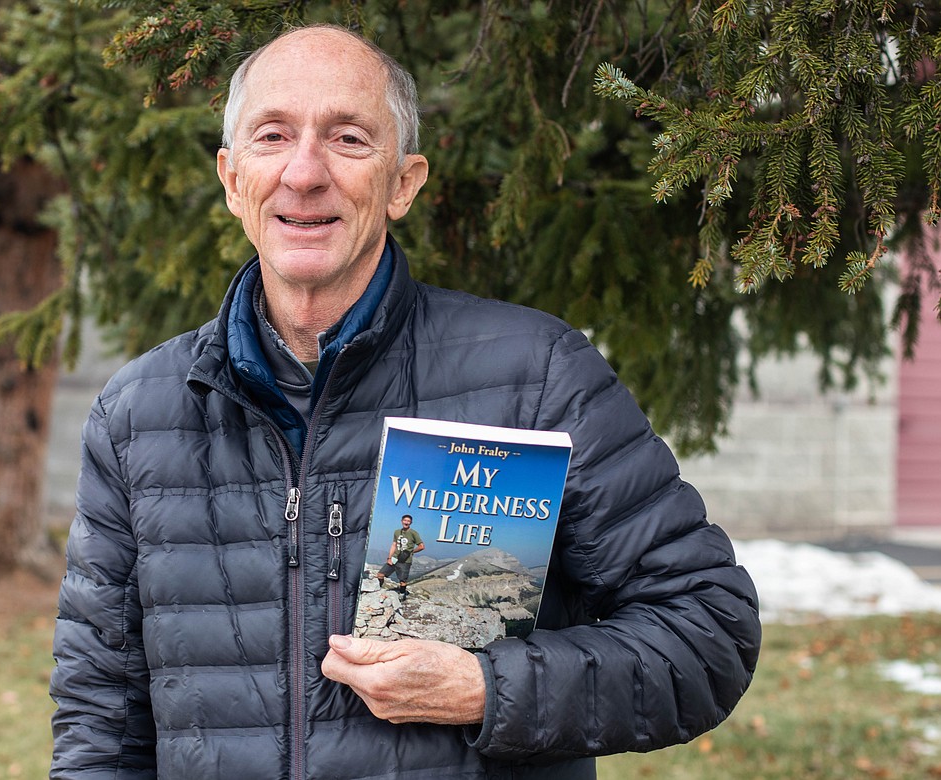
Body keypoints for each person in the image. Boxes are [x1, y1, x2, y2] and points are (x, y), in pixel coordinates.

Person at [49, 23, 761, 780]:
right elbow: (101, 722)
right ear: (232, 180)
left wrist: (487, 688)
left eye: (349, 138)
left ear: (403, 183)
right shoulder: (140, 416)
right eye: (273, 135)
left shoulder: (536, 377)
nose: (304, 172)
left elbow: (707, 633)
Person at [375, 514, 424, 598]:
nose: (406, 522)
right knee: (380, 574)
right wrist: (389, 558)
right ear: (401, 521)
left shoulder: (413, 533)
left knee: (402, 581)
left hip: (405, 561)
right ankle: (378, 591)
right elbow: (394, 544)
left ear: (411, 523)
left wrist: (412, 551)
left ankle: (402, 594)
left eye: (408, 521)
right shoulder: (397, 532)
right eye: (405, 520)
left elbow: (421, 546)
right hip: (394, 558)